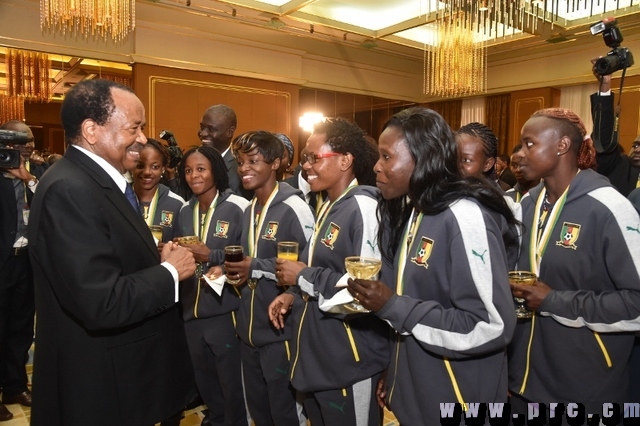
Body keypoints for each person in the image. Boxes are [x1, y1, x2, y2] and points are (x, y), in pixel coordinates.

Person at [27, 79, 198, 426]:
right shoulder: (69, 190)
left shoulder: (94, 182)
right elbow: (100, 301)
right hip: (100, 386)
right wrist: (169, 272)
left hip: (122, 378)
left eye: (143, 128)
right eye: (134, 128)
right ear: (92, 130)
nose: (141, 139)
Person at [344, 107, 517, 425]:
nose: (377, 167)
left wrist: (392, 306)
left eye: (386, 157)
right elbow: (420, 306)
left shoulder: (465, 217)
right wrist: (393, 371)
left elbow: (491, 326)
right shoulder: (415, 210)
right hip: (419, 396)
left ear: (422, 160)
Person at [508, 108, 640, 422]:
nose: (520, 154)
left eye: (530, 144)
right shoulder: (526, 204)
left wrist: (554, 301)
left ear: (562, 146)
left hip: (587, 389)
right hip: (525, 382)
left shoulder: (610, 209)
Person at [269, 117, 388, 426]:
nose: (305, 166)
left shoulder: (362, 207)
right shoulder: (328, 205)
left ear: (346, 160)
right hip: (320, 359)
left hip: (350, 362)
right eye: (304, 158)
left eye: (314, 157)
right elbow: (324, 270)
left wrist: (302, 277)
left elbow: (366, 291)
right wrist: (294, 295)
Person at [224, 130, 314, 426]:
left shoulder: (294, 207)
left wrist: (255, 267)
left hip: (281, 332)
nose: (244, 168)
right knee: (259, 412)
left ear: (275, 163)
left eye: (253, 161)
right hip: (249, 330)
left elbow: (309, 267)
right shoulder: (250, 209)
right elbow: (248, 263)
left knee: (285, 413)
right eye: (240, 162)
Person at [176, 146, 250, 426]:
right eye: (188, 170)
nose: (194, 175)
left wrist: (214, 257)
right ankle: (217, 419)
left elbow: (250, 256)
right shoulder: (185, 211)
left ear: (216, 171)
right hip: (191, 311)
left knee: (232, 383)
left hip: (225, 312)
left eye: (201, 169)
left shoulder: (239, 208)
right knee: (205, 379)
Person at [0, 121, 47, 421]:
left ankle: (15, 386)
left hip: (27, 262)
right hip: (2, 263)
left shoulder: (38, 176)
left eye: (30, 139)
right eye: (21, 141)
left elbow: (52, 203)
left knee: (21, 329)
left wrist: (28, 179)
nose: (28, 145)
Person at [590, 60, 640, 197]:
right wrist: (605, 86)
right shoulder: (621, 166)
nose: (637, 149)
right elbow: (604, 142)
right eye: (635, 145)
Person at [133, 138, 186, 242]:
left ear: (163, 169)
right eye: (140, 166)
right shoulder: (119, 198)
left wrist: (169, 249)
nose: (147, 172)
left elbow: (182, 248)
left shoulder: (177, 204)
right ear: (131, 166)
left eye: (155, 166)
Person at [198, 105, 252, 200]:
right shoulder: (195, 162)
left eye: (211, 129)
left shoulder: (239, 168)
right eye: (202, 128)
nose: (203, 133)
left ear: (230, 132)